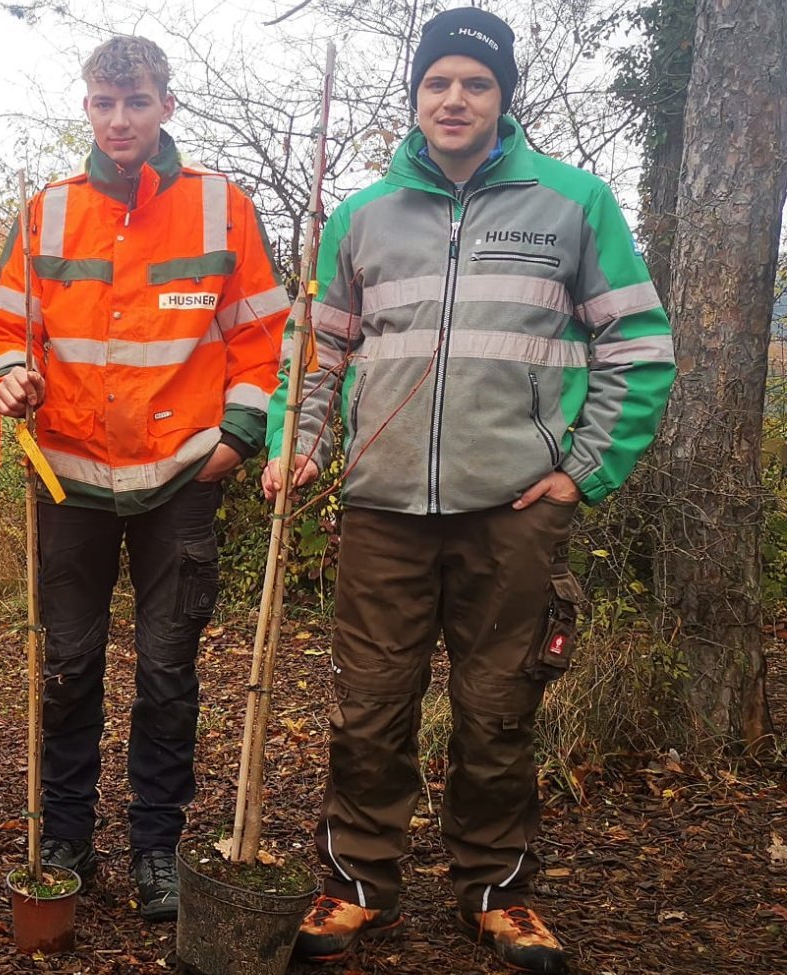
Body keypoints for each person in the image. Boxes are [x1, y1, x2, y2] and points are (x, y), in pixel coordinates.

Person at [263, 9, 675, 973]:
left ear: (503, 99)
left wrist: (582, 470)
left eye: (475, 84)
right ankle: (358, 882)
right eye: (437, 82)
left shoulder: (573, 204)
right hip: (380, 506)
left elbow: (640, 348)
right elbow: (315, 356)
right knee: (369, 704)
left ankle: (498, 892)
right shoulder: (362, 214)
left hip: (515, 511)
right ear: (415, 95)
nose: (454, 99)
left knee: (499, 705)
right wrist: (301, 443)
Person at [0, 35, 287, 921]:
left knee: (167, 669)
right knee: (67, 664)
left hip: (185, 479)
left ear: (166, 106)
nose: (120, 119)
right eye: (104, 103)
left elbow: (262, 337)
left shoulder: (222, 208)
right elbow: (4, 323)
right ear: (86, 107)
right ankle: (67, 834)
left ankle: (158, 844)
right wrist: (8, 370)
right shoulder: (44, 213)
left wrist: (241, 430)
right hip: (69, 479)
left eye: (137, 101)